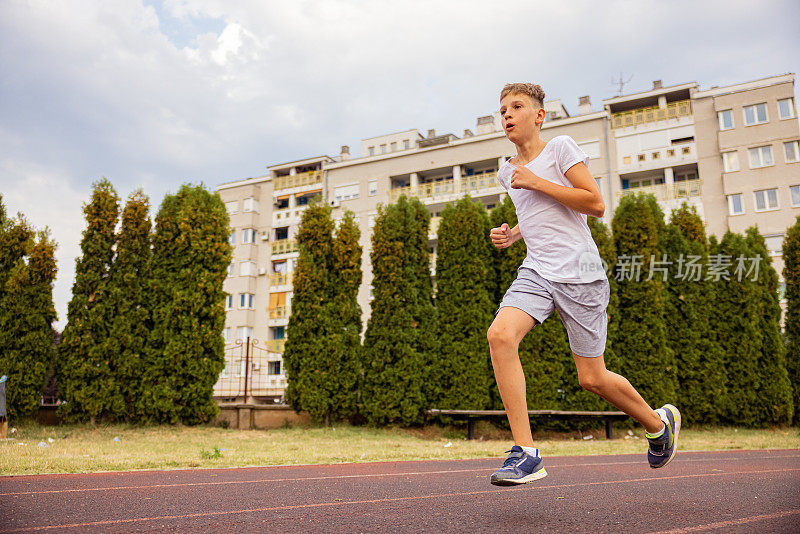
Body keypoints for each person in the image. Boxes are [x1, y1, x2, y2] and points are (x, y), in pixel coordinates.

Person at [487, 82, 680, 486]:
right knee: (500, 336)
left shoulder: (560, 148)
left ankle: (658, 424)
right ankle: (526, 453)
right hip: (538, 271)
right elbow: (543, 216)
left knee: (591, 378)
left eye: (517, 106)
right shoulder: (508, 170)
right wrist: (514, 235)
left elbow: (594, 203)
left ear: (538, 116)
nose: (507, 114)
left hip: (581, 275)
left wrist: (537, 181)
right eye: (502, 108)